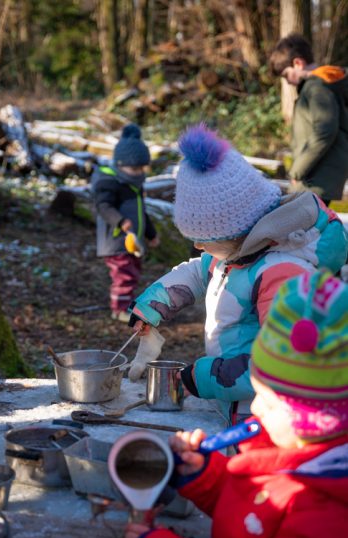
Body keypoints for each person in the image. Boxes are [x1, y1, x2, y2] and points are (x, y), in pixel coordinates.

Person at [122, 270, 348, 538]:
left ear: (314, 420)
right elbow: (254, 512)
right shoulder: (290, 447)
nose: (255, 406)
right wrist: (205, 477)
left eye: (268, 401)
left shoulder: (328, 515)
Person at [128, 123, 347, 423]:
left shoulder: (283, 275)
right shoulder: (234, 254)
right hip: (234, 402)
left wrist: (203, 377)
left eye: (204, 240)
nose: (197, 246)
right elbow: (196, 273)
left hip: (266, 415)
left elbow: (282, 360)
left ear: (238, 232)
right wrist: (151, 307)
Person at [270, 33, 348, 205]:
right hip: (317, 176)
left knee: (301, 228)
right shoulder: (319, 85)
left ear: (298, 63)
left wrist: (297, 171)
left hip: (316, 179)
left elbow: (325, 131)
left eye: (286, 75)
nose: (288, 82)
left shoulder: (317, 87)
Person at [92, 124, 159, 322]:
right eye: (134, 168)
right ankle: (120, 308)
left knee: (133, 272)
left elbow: (142, 212)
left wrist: (151, 234)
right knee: (124, 274)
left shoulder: (135, 185)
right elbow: (102, 206)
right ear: (120, 164)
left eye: (141, 168)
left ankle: (125, 303)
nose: (139, 173)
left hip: (132, 242)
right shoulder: (109, 182)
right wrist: (120, 221)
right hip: (116, 241)